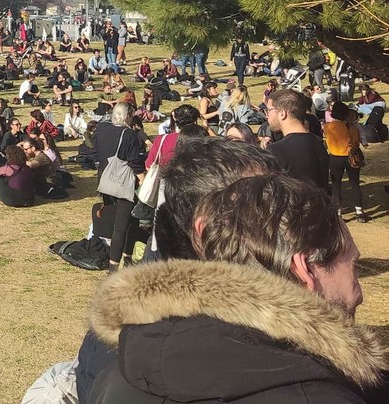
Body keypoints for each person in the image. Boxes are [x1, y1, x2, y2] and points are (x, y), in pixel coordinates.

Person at [87, 173, 382, 403]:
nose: (360, 294)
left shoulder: (121, 374)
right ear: (305, 269)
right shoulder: (321, 396)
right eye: (354, 267)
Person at [93, 102, 146, 271]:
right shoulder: (129, 134)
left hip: (106, 180)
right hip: (123, 184)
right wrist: (144, 180)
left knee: (130, 221)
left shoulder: (102, 129)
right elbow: (134, 161)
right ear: (128, 116)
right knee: (122, 226)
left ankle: (126, 257)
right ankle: (114, 266)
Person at [323, 99, 367, 222]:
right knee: (354, 183)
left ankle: (338, 213)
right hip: (351, 156)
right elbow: (356, 142)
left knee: (336, 184)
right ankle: (359, 211)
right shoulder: (352, 127)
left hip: (335, 157)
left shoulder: (327, 127)